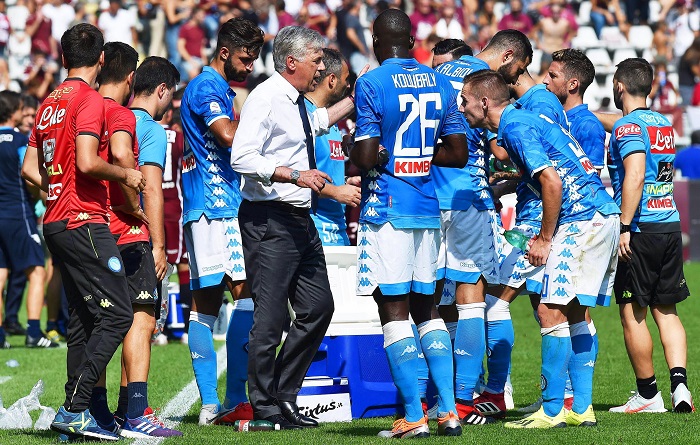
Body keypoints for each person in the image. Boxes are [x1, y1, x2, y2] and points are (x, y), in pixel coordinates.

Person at [461, 69, 621, 428]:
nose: (462, 107)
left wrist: (545, 239)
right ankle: (581, 408)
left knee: (550, 312)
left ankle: (550, 412)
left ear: (484, 102)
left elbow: (551, 180)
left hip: (580, 219)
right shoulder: (522, 121)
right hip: (601, 213)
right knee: (576, 311)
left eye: (466, 101)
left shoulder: (516, 126)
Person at [230, 25, 360, 430]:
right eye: (317, 60)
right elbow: (241, 156)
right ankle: (266, 407)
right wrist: (290, 174)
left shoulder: (295, 100)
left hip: (298, 219)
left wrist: (354, 99)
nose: (322, 68)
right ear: (292, 62)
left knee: (319, 307)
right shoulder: (265, 98)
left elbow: (316, 122)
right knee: (269, 319)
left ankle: (283, 397)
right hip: (269, 217)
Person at [21, 23, 144, 441]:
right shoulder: (89, 100)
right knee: (119, 314)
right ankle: (74, 408)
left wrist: (54, 187)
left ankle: (76, 420)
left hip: (54, 221)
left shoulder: (47, 102)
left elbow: (28, 169)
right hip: (83, 220)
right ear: (102, 59)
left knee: (83, 323)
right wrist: (127, 174)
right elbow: (90, 163)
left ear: (62, 57)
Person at [350, 9, 468, 438]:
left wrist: (364, 151)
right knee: (429, 309)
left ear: (377, 41)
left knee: (393, 309)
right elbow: (457, 152)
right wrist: (416, 159)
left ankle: (414, 416)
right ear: (413, 41)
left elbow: (364, 159)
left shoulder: (372, 81)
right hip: (427, 208)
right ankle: (449, 411)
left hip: (388, 210)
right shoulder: (438, 80)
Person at [430, 29, 532, 421]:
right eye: (517, 68)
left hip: (428, 200)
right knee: (480, 301)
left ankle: (438, 395)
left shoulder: (433, 75)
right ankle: (470, 396)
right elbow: (505, 146)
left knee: (434, 302)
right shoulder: (483, 83)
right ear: (508, 57)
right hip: (470, 198)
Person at [179, 17, 264, 426]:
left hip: (206, 207)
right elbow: (228, 135)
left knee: (207, 305)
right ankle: (229, 400)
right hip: (220, 206)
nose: (249, 67)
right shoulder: (207, 86)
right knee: (244, 295)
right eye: (246, 59)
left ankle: (215, 404)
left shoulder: (215, 87)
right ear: (225, 52)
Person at [607, 58, 694, 414]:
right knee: (667, 310)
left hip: (640, 229)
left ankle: (647, 395)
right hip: (670, 225)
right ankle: (680, 389)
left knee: (632, 312)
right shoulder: (662, 123)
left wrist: (625, 225)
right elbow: (630, 129)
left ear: (618, 86)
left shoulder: (627, 127)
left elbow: (636, 174)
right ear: (651, 88)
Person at [542, 47, 606, 424]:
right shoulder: (558, 119)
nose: (545, 81)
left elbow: (590, 181)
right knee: (563, 308)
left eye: (551, 76)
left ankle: (569, 401)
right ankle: (575, 403)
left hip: (580, 225)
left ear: (572, 83)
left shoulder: (584, 125)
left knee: (567, 309)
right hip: (567, 223)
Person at [0, 91, 54, 349]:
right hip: (18, 213)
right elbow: (29, 174)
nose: (25, 114)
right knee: (37, 270)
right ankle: (34, 332)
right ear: (13, 112)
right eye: (22, 109)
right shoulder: (21, 140)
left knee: (0, 276)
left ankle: (0, 336)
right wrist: (44, 195)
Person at [307, 48, 360, 246]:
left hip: (338, 225)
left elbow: (323, 168)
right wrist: (336, 192)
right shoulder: (304, 116)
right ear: (331, 80)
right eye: (346, 79)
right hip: (314, 227)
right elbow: (294, 176)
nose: (348, 85)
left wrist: (345, 181)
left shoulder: (332, 120)